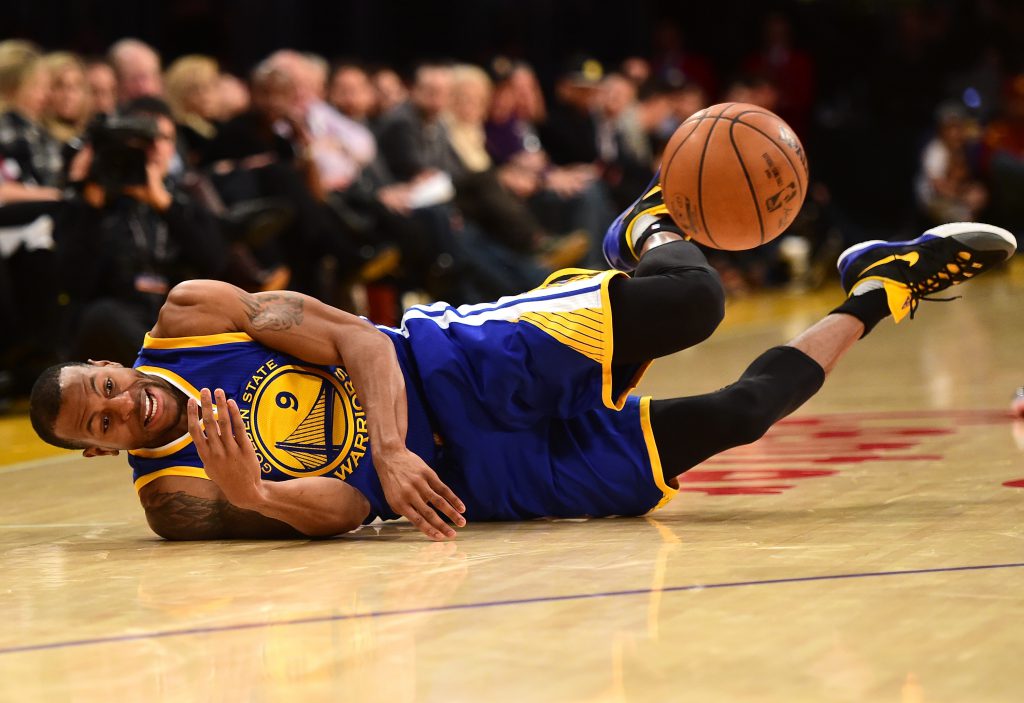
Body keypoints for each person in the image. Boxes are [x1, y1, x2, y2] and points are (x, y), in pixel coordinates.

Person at [27, 175, 1015, 542]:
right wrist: (258, 498)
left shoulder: (195, 316)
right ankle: (883, 288)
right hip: (474, 482)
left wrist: (385, 444)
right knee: (733, 417)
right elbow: (347, 510)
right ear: (96, 454)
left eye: (106, 389)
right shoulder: (175, 499)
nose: (121, 409)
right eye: (101, 424)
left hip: (451, 369)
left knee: (698, 300)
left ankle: (651, 224)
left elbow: (358, 339)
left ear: (112, 362)